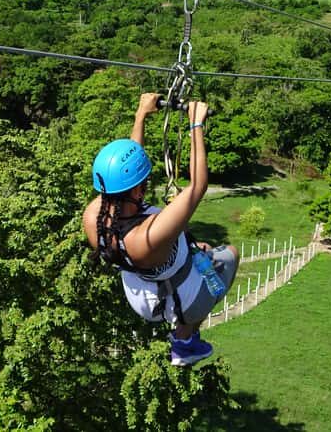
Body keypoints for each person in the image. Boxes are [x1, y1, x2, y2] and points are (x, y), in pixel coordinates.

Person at [83, 93, 239, 366]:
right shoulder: (147, 236)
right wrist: (195, 126)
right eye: (144, 182)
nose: (145, 186)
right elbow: (197, 187)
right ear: (135, 187)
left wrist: (141, 114)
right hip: (179, 301)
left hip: (141, 295)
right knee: (231, 256)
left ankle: (185, 329)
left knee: (202, 249)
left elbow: (122, 176)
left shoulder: (94, 215)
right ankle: (185, 340)